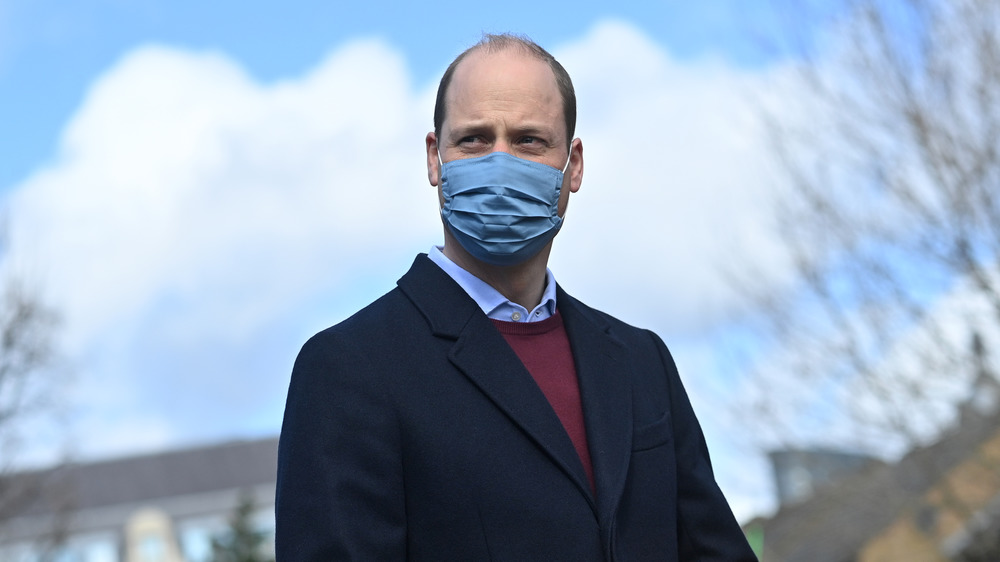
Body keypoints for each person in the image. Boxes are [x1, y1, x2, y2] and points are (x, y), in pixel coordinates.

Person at [275, 33, 756, 561]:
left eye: (529, 141)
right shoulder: (349, 369)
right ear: (435, 158)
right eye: (475, 140)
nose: (500, 165)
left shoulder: (641, 362)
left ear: (572, 166)